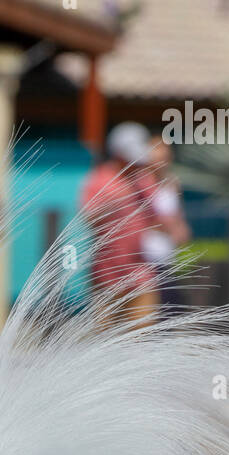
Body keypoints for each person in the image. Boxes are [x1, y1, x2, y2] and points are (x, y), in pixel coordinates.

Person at [79, 122, 160, 326]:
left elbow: (157, 216)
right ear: (117, 154)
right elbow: (90, 217)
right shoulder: (99, 179)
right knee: (106, 334)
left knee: (142, 334)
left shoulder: (144, 179)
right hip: (107, 272)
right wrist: (118, 199)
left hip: (140, 270)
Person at [144, 135, 191, 313]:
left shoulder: (172, 183)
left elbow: (176, 214)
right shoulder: (141, 183)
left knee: (169, 309)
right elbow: (142, 218)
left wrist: (181, 229)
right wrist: (168, 226)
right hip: (145, 255)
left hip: (167, 254)